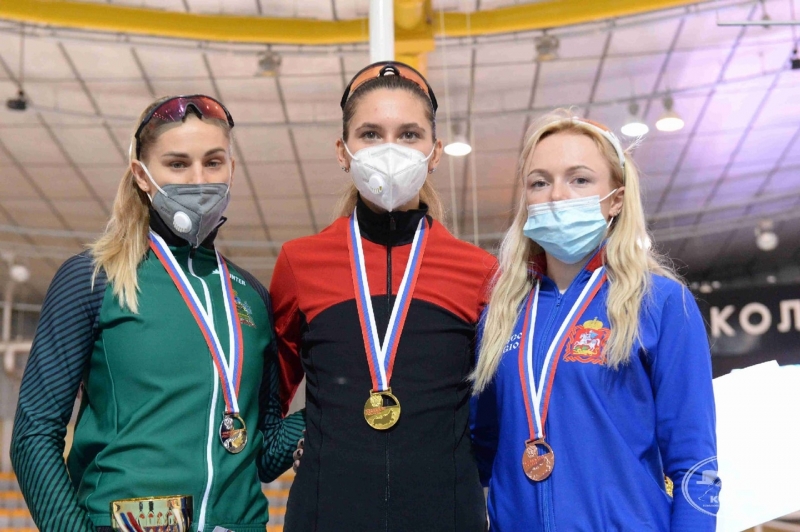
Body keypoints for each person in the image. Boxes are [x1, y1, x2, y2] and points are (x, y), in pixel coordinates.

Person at [11, 95, 304, 532]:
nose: (199, 178)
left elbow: (263, 452)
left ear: (232, 169)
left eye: (213, 162)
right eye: (177, 164)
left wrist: (337, 406)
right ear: (141, 175)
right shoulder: (94, 279)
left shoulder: (252, 298)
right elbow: (33, 434)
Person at [271, 62, 496, 532]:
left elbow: (492, 409)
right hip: (326, 517)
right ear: (343, 151)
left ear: (434, 153)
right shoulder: (300, 263)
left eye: (409, 134)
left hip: (447, 517)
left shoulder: (477, 270)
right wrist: (315, 431)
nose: (390, 149)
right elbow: (268, 397)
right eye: (370, 134)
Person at [470, 110, 718, 531]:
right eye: (539, 182)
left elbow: (695, 463)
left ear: (616, 199)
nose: (557, 195)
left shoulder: (659, 303)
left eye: (580, 179)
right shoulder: (501, 313)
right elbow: (480, 449)